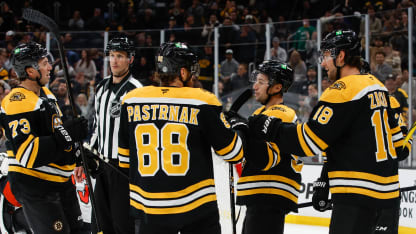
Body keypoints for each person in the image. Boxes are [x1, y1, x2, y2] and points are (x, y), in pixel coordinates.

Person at [248, 29, 412, 234]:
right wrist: (325, 180)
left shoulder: (342, 90)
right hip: (388, 199)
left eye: (325, 56)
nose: (323, 64)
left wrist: (268, 126)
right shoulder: (380, 89)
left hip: (356, 197)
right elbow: (400, 147)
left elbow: (308, 142)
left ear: (340, 56)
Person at [117, 42, 245, 234]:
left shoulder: (131, 100)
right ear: (183, 73)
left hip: (148, 209)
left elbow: (125, 161)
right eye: (191, 71)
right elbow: (234, 153)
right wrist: (238, 127)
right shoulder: (202, 100)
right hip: (196, 209)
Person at [1, 42, 88, 233]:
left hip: (60, 183)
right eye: (44, 63)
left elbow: (60, 136)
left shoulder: (46, 95)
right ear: (30, 71)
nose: (50, 67)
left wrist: (79, 154)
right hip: (35, 184)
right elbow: (28, 154)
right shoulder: (18, 101)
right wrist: (67, 134)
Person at [73, 36, 143, 234]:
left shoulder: (137, 91)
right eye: (111, 55)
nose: (114, 60)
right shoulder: (102, 87)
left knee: (122, 225)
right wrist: (84, 160)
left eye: (119, 56)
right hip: (103, 166)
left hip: (124, 171)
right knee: (100, 224)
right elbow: (97, 128)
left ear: (130, 59)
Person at [237, 60, 302, 234]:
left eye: (261, 82)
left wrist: (242, 129)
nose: (255, 86)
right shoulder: (260, 113)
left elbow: (265, 159)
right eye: (255, 80)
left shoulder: (282, 113)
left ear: (276, 87)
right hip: (262, 194)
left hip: (269, 191)